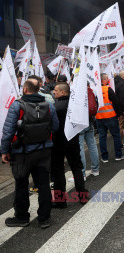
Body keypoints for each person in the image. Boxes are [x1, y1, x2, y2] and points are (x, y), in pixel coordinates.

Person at [1, 79, 59, 229]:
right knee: (43, 184)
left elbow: (7, 132)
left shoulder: (17, 105)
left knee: (21, 184)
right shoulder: (49, 105)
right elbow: (55, 126)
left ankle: (22, 217)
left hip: (22, 153)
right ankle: (44, 218)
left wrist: (4, 151)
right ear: (39, 89)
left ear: (25, 90)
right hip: (44, 151)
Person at [51, 83, 89, 208]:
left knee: (58, 171)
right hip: (72, 140)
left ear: (63, 92)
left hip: (57, 142)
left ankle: (60, 201)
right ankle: (82, 196)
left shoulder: (54, 107)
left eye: (56, 90)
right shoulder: (75, 106)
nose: (53, 92)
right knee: (77, 168)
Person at [95, 73, 124, 162]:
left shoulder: (95, 90)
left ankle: (104, 157)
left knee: (102, 137)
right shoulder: (107, 89)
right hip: (110, 116)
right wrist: (119, 114)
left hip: (99, 117)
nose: (108, 80)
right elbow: (116, 102)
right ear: (103, 80)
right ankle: (118, 155)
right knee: (116, 136)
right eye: (107, 78)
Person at [77, 83, 100, 180]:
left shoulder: (76, 92)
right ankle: (95, 169)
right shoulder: (92, 91)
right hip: (89, 120)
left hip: (79, 122)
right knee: (92, 145)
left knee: (80, 147)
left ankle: (82, 173)